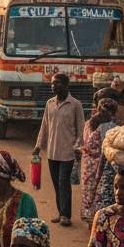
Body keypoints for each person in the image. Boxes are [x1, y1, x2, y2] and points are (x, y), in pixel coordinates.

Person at [32, 72, 84, 228]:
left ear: (66, 86)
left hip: (68, 152)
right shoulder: (50, 104)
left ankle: (66, 216)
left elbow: (81, 129)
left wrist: (79, 147)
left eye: (57, 83)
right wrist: (38, 146)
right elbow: (44, 127)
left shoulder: (75, 105)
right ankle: (61, 212)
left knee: (63, 183)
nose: (53, 86)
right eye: (52, 83)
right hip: (52, 152)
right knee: (56, 184)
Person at [81, 100, 116, 224]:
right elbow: (105, 149)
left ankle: (88, 217)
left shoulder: (88, 123)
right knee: (99, 192)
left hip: (87, 162)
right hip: (100, 163)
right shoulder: (107, 126)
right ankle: (95, 220)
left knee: (88, 189)